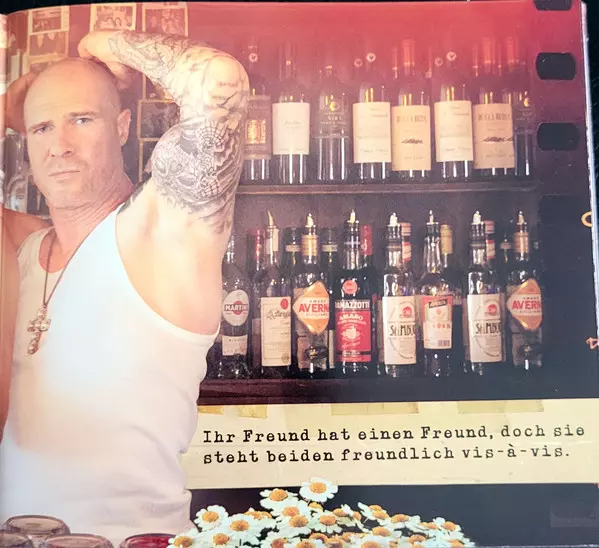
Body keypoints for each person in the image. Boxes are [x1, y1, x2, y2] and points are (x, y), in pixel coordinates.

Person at [0, 28, 249, 545]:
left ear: (122, 126)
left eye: (81, 119)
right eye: (42, 128)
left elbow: (218, 80)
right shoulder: (22, 248)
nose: (59, 146)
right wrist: (13, 103)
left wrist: (101, 44)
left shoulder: (163, 232)